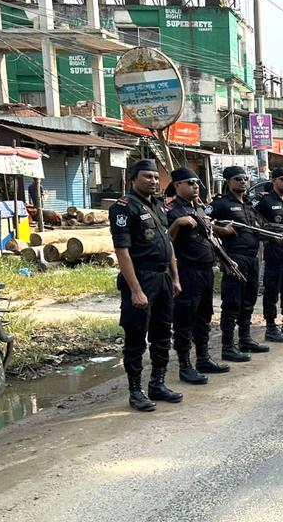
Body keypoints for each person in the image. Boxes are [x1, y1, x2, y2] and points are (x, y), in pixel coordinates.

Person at [109, 159, 183, 412]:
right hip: (142, 278)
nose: (153, 181)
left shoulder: (160, 206)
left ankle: (158, 384)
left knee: (163, 333)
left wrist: (175, 277)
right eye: (147, 177)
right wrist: (136, 290)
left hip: (163, 278)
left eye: (155, 177)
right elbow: (122, 251)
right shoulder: (123, 207)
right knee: (136, 336)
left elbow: (168, 244)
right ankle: (135, 390)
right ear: (133, 178)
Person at [165, 167, 232, 385]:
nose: (195, 187)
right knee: (185, 318)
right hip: (186, 271)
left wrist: (225, 261)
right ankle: (185, 365)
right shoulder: (171, 211)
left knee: (204, 316)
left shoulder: (200, 209)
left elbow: (210, 238)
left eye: (196, 183)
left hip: (205, 270)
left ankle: (203, 358)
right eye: (190, 183)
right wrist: (177, 224)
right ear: (177, 186)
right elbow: (165, 244)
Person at [209, 166, 272, 361]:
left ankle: (245, 339)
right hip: (234, 257)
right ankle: (228, 346)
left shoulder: (249, 204)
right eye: (238, 179)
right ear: (228, 181)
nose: (243, 182)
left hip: (253, 258)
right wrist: (221, 230)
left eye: (245, 179)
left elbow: (256, 229)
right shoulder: (220, 204)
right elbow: (203, 221)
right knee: (232, 303)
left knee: (249, 300)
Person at [256, 167, 283, 341]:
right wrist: (273, 238)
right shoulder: (265, 203)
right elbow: (257, 227)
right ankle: (271, 326)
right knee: (272, 290)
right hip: (274, 253)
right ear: (273, 181)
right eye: (281, 179)